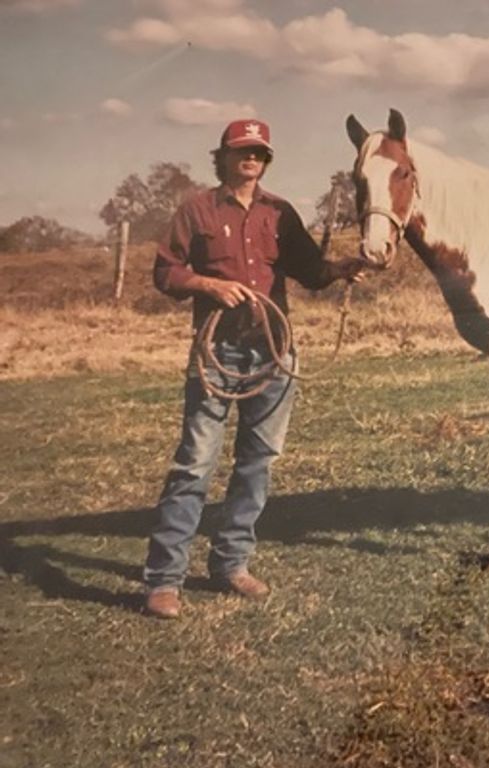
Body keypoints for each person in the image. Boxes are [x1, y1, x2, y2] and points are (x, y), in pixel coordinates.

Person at [143, 119, 364, 619]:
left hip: (273, 355)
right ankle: (164, 580)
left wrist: (341, 269)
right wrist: (207, 285)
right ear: (222, 157)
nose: (251, 159)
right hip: (216, 354)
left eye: (259, 153)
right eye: (242, 150)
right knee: (195, 465)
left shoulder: (279, 213)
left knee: (257, 463)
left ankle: (231, 563)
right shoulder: (197, 210)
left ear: (267, 161)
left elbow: (310, 271)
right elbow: (165, 271)